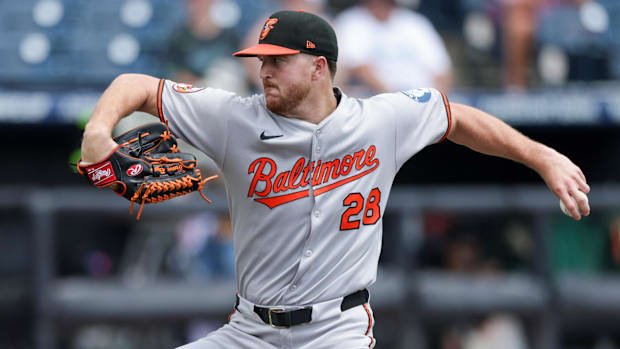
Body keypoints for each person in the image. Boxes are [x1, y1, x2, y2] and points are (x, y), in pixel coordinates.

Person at [80, 10, 590, 348]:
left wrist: (543, 158)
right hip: (250, 330)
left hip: (335, 330)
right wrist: (99, 131)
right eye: (260, 61)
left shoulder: (381, 121)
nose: (264, 71)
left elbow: (456, 117)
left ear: (319, 67)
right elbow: (136, 85)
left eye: (278, 61)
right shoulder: (234, 117)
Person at [334, 0, 453, 96]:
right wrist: (394, 99)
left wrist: (435, 100)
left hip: (420, 98)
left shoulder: (415, 22)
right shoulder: (351, 21)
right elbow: (357, 66)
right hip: (374, 100)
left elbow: (441, 69)